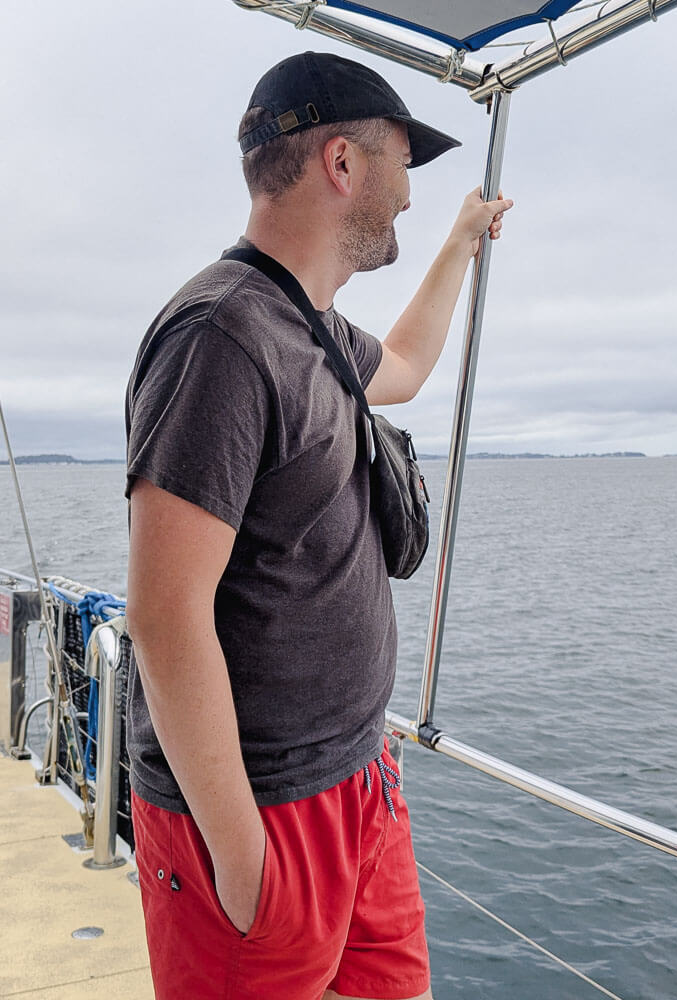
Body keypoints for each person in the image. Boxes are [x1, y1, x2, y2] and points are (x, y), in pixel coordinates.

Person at [125, 50, 512, 1000]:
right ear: (341, 164)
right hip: (259, 818)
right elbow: (166, 617)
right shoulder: (220, 337)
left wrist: (462, 241)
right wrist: (243, 859)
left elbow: (410, 367)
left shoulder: (313, 330)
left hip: (360, 784)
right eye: (401, 163)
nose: (411, 195)